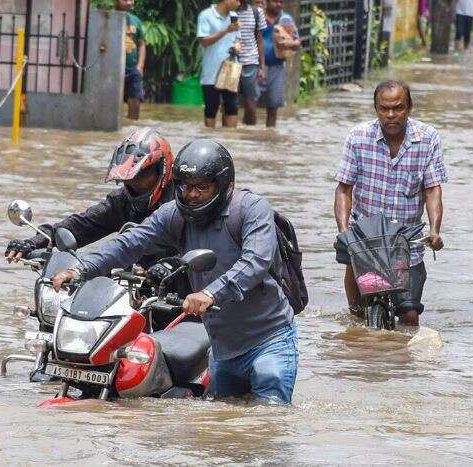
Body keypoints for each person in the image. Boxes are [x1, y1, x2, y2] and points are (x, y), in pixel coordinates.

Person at [51, 139, 298, 404]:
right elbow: (131, 242)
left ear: (223, 184)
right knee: (221, 431)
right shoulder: (175, 214)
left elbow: (255, 261)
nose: (191, 194)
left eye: (201, 187)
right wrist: (82, 268)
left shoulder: (251, 209)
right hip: (223, 348)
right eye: (185, 186)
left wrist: (211, 294)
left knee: (269, 422)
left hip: (267, 340)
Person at [333, 80, 447, 327]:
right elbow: (344, 189)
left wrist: (435, 231)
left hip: (407, 242)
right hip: (366, 239)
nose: (391, 115)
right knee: (357, 319)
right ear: (376, 109)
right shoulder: (358, 137)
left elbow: (432, 189)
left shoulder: (427, 138)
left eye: (398, 108)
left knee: (409, 316)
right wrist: (344, 233)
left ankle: (404, 366)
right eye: (384, 109)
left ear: (409, 108)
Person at [4, 128, 175, 269]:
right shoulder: (122, 202)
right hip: (136, 287)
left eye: (141, 178)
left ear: (161, 169)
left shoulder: (183, 205)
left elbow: (197, 249)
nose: (135, 185)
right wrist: (33, 242)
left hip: (180, 292)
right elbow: (82, 224)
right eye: (129, 181)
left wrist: (169, 267)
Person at [197, 0, 242, 128]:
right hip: (211, 73)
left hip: (230, 72)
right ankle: (210, 142)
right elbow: (204, 41)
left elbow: (238, 38)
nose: (239, 3)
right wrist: (226, 30)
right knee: (211, 110)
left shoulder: (234, 16)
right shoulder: (205, 15)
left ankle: (230, 142)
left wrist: (238, 45)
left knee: (232, 108)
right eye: (237, 0)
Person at [258, 0, 300, 127]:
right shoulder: (258, 17)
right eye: (275, 1)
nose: (279, 4)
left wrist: (288, 44)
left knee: (273, 106)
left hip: (277, 67)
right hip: (256, 67)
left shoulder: (285, 19)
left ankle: (270, 135)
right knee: (250, 104)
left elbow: (297, 42)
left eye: (281, 2)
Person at [237, 0, 267, 125]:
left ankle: (250, 134)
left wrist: (262, 67)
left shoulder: (256, 12)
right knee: (229, 104)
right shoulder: (228, 11)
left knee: (250, 103)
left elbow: (260, 41)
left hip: (250, 62)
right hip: (229, 62)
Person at [116, 0, 145, 120]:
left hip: (132, 68)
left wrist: (140, 66)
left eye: (131, 0)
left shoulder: (136, 21)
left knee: (135, 102)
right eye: (125, 0)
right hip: (114, 68)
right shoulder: (109, 18)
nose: (129, 3)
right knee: (111, 102)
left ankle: (131, 129)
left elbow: (142, 44)